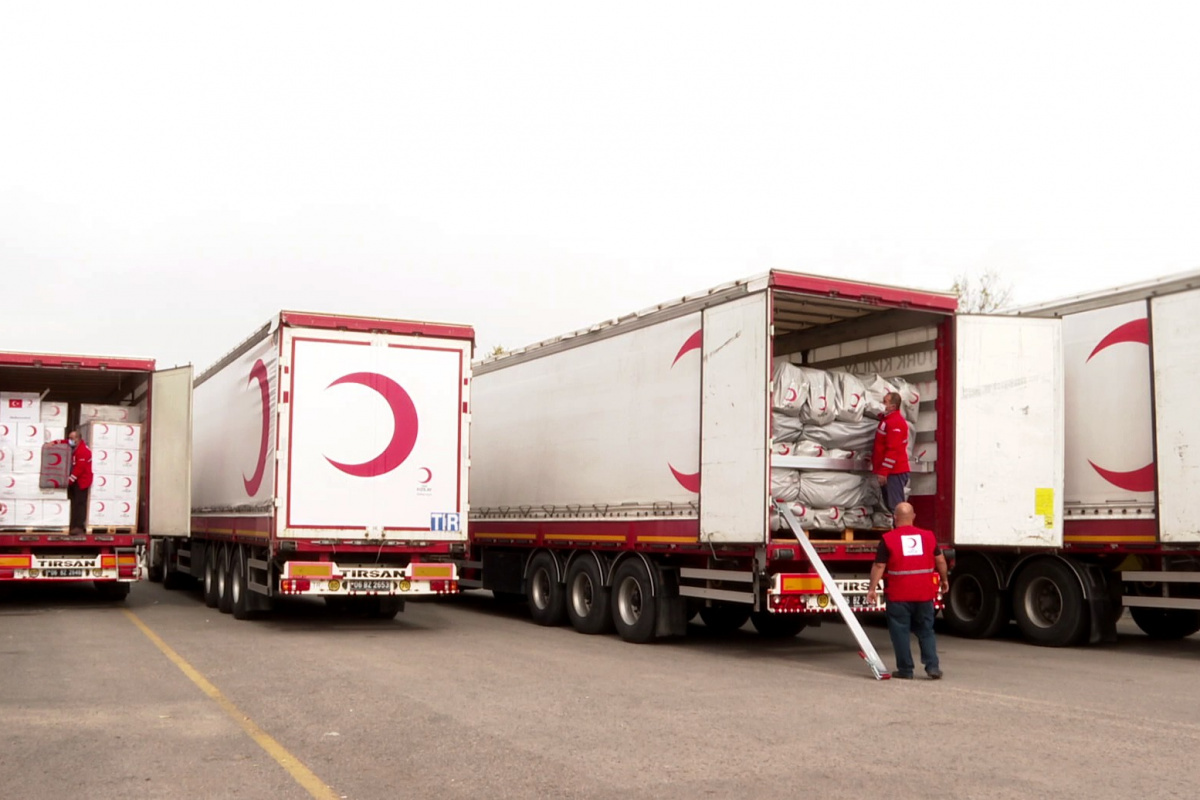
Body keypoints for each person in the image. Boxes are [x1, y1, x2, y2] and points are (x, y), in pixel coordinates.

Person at [865, 502, 948, 680]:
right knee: (926, 630)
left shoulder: (888, 539)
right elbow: (940, 560)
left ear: (895, 518)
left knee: (900, 632)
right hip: (924, 594)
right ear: (914, 516)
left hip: (899, 596)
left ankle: (905, 670)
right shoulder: (928, 536)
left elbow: (879, 565)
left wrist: (872, 588)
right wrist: (944, 579)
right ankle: (932, 667)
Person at [872, 390, 910, 514]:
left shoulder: (895, 423)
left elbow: (892, 451)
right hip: (891, 472)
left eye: (885, 402)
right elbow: (881, 447)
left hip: (895, 472)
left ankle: (902, 532)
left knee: (897, 508)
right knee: (891, 506)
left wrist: (884, 472)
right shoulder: (887, 421)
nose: (882, 404)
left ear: (893, 406)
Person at [61, 430, 93, 533]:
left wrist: (71, 479)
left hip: (82, 481)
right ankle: (72, 525)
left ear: (77, 439)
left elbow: (80, 468)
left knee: (80, 503)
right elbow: (65, 442)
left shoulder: (83, 451)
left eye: (71, 438)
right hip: (76, 480)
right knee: (74, 503)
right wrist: (55, 443)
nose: (69, 441)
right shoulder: (75, 447)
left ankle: (79, 526)